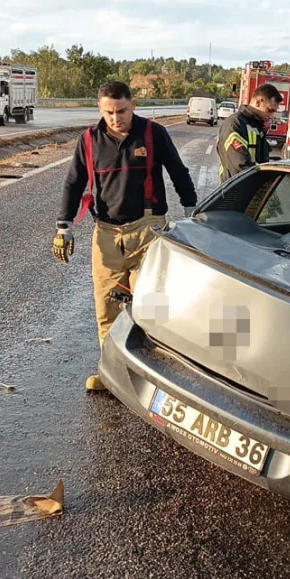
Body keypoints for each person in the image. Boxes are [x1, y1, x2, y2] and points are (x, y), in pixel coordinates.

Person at [53, 81, 198, 389]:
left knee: (151, 306)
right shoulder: (89, 140)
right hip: (106, 233)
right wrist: (63, 226)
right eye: (109, 112)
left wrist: (191, 209)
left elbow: (177, 170)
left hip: (148, 229)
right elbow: (73, 183)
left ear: (133, 105)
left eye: (121, 111)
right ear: (100, 109)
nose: (115, 118)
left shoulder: (152, 134)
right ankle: (110, 373)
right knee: (106, 307)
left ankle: (157, 375)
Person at [217, 83, 283, 182]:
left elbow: (259, 161)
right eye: (270, 110)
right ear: (258, 101)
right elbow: (240, 167)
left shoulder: (256, 125)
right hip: (236, 192)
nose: (272, 116)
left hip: (250, 190)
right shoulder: (235, 124)